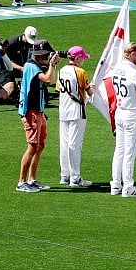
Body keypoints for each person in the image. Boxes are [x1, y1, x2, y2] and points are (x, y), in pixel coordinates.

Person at [17, 43, 59, 192]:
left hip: (39, 111)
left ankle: (32, 179)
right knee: (33, 146)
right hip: (31, 112)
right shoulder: (31, 66)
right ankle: (22, 182)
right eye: (46, 55)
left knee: (40, 146)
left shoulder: (35, 64)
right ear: (40, 55)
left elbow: (50, 80)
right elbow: (48, 80)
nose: (48, 57)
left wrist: (52, 64)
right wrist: (52, 64)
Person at [110, 42, 136, 197]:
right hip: (132, 114)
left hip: (120, 112)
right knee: (129, 152)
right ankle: (128, 186)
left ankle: (116, 184)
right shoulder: (135, 74)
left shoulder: (116, 69)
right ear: (132, 54)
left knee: (119, 150)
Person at [57, 46, 94, 188]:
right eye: (82, 57)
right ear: (77, 58)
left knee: (64, 144)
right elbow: (89, 92)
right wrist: (92, 86)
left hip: (63, 111)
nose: (84, 59)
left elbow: (60, 89)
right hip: (77, 111)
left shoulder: (61, 71)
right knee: (74, 145)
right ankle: (75, 177)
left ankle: (65, 175)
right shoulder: (80, 72)